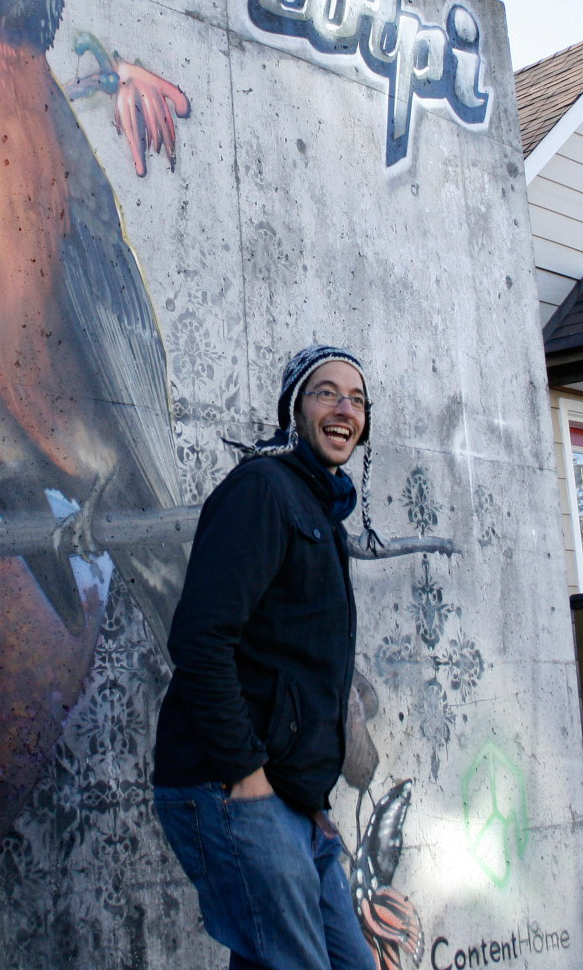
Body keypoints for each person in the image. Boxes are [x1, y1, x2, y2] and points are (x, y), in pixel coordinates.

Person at [152, 345, 379, 970]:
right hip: (227, 783)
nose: (345, 408)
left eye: (357, 399)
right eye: (326, 392)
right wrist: (246, 777)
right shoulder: (262, 491)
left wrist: (310, 802)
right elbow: (199, 640)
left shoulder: (320, 511)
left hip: (292, 801)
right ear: (294, 409)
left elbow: (301, 668)